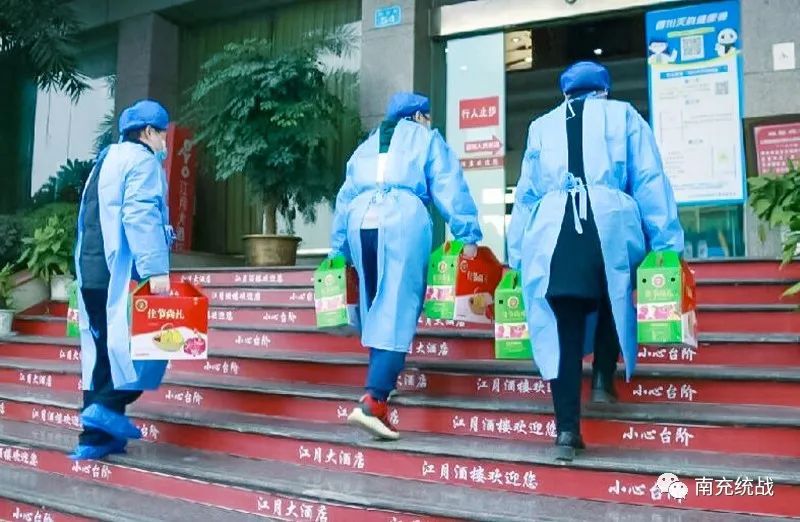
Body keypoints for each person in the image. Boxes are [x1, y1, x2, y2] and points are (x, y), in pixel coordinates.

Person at [506, 62, 684, 461]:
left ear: (566, 92)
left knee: (562, 328)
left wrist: (514, 254)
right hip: (610, 218)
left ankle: (566, 432)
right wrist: (666, 241)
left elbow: (526, 195)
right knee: (614, 292)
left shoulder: (541, 125)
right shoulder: (623, 115)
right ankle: (604, 375)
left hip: (552, 230)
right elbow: (649, 179)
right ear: (603, 89)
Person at [330, 92, 482, 440]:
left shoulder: (366, 146)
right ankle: (374, 402)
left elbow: (345, 196)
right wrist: (468, 234)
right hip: (401, 220)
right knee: (397, 307)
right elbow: (448, 184)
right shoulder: (425, 139)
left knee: (375, 305)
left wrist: (338, 250)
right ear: (418, 116)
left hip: (359, 222)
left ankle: (380, 381)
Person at [71, 99, 175, 460]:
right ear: (147, 132)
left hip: (90, 274)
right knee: (153, 349)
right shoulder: (143, 162)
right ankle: (105, 408)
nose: (164, 141)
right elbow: (141, 215)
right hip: (120, 276)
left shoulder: (105, 160)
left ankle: (94, 440)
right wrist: (156, 270)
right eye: (162, 133)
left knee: (100, 356)